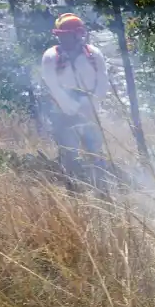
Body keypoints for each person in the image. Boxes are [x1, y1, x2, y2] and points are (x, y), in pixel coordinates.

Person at [39, 13, 110, 191]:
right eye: (62, 35)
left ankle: (102, 190)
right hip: (63, 111)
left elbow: (102, 81)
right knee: (69, 152)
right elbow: (53, 87)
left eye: (70, 34)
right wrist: (72, 107)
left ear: (79, 34)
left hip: (90, 108)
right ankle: (74, 191)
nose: (66, 38)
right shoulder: (51, 56)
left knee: (96, 151)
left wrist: (91, 105)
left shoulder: (93, 54)